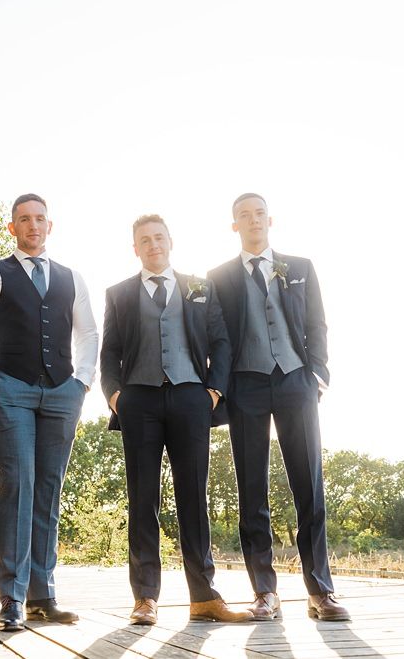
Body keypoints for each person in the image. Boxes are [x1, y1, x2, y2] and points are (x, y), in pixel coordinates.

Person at [100, 214, 251, 625]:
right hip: (139, 402)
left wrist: (213, 391)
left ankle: (203, 596)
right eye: (145, 240)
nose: (153, 245)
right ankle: (145, 597)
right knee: (143, 499)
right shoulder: (119, 294)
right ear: (136, 248)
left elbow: (220, 341)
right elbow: (109, 351)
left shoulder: (199, 286)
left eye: (159, 238)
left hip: (190, 399)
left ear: (171, 241)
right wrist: (116, 396)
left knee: (193, 498)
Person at [208, 193, 350, 622]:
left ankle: (320, 591)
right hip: (246, 385)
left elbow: (316, 322)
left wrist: (318, 373)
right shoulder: (218, 277)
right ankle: (265, 591)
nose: (252, 221)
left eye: (258, 214)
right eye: (243, 216)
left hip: (295, 381)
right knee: (252, 490)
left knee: (310, 485)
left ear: (271, 220)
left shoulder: (300, 267)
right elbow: (217, 334)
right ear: (234, 225)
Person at [0, 193, 98, 631]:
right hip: (12, 390)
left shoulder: (71, 277)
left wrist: (82, 381)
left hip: (63, 392)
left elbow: (89, 333)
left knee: (49, 489)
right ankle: (12, 597)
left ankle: (44, 594)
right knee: (18, 486)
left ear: (50, 226)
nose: (33, 226)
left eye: (40, 219)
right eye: (24, 220)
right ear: (12, 227)